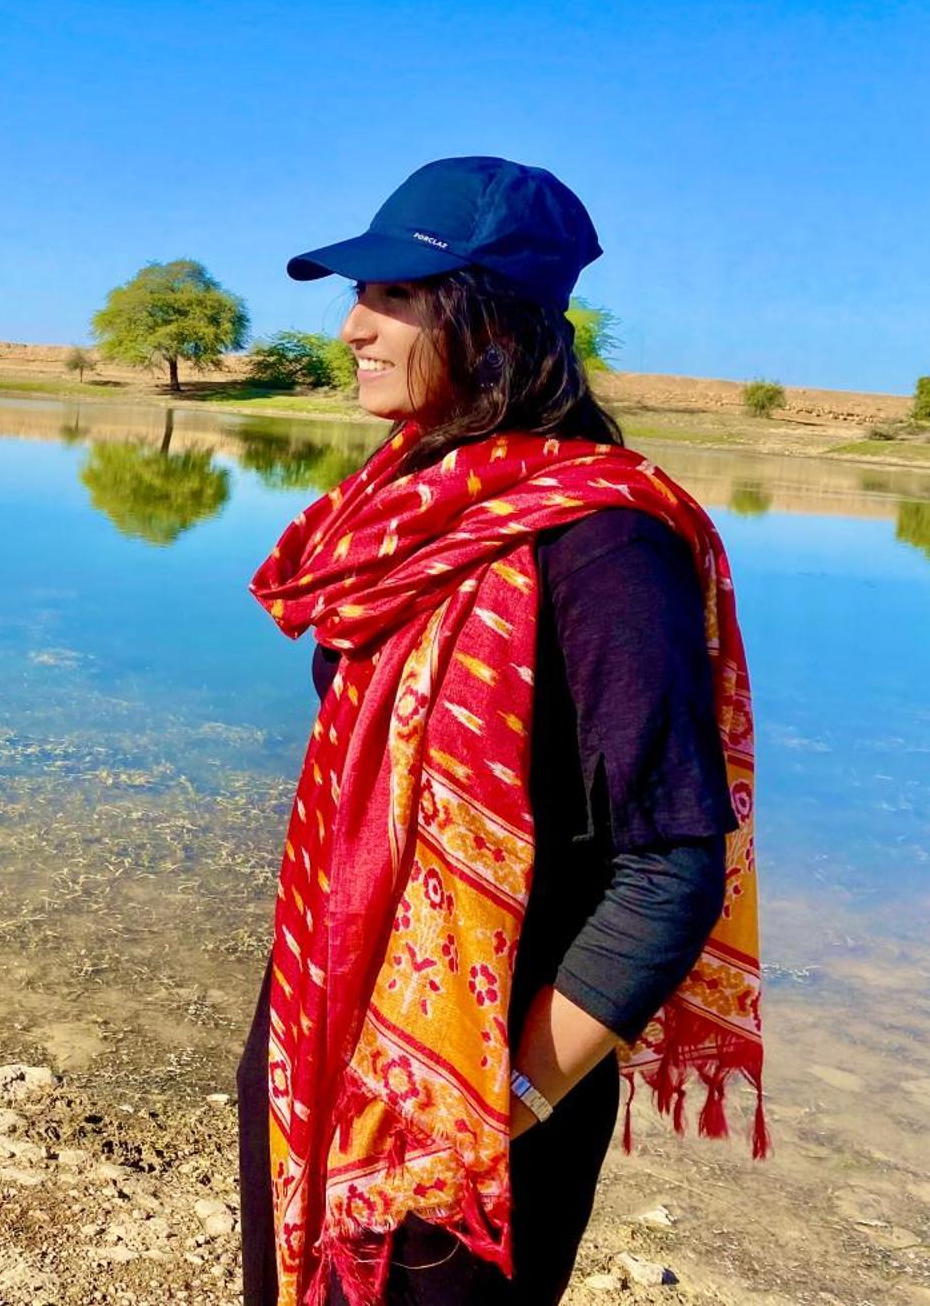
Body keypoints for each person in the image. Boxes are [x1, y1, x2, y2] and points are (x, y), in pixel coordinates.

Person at [234, 158, 766, 1306]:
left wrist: (506, 1101)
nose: (350, 327)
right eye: (354, 295)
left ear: (487, 321)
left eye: (390, 297)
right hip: (320, 1033)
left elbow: (669, 873)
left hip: (479, 1108)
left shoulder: (604, 550)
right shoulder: (407, 513)